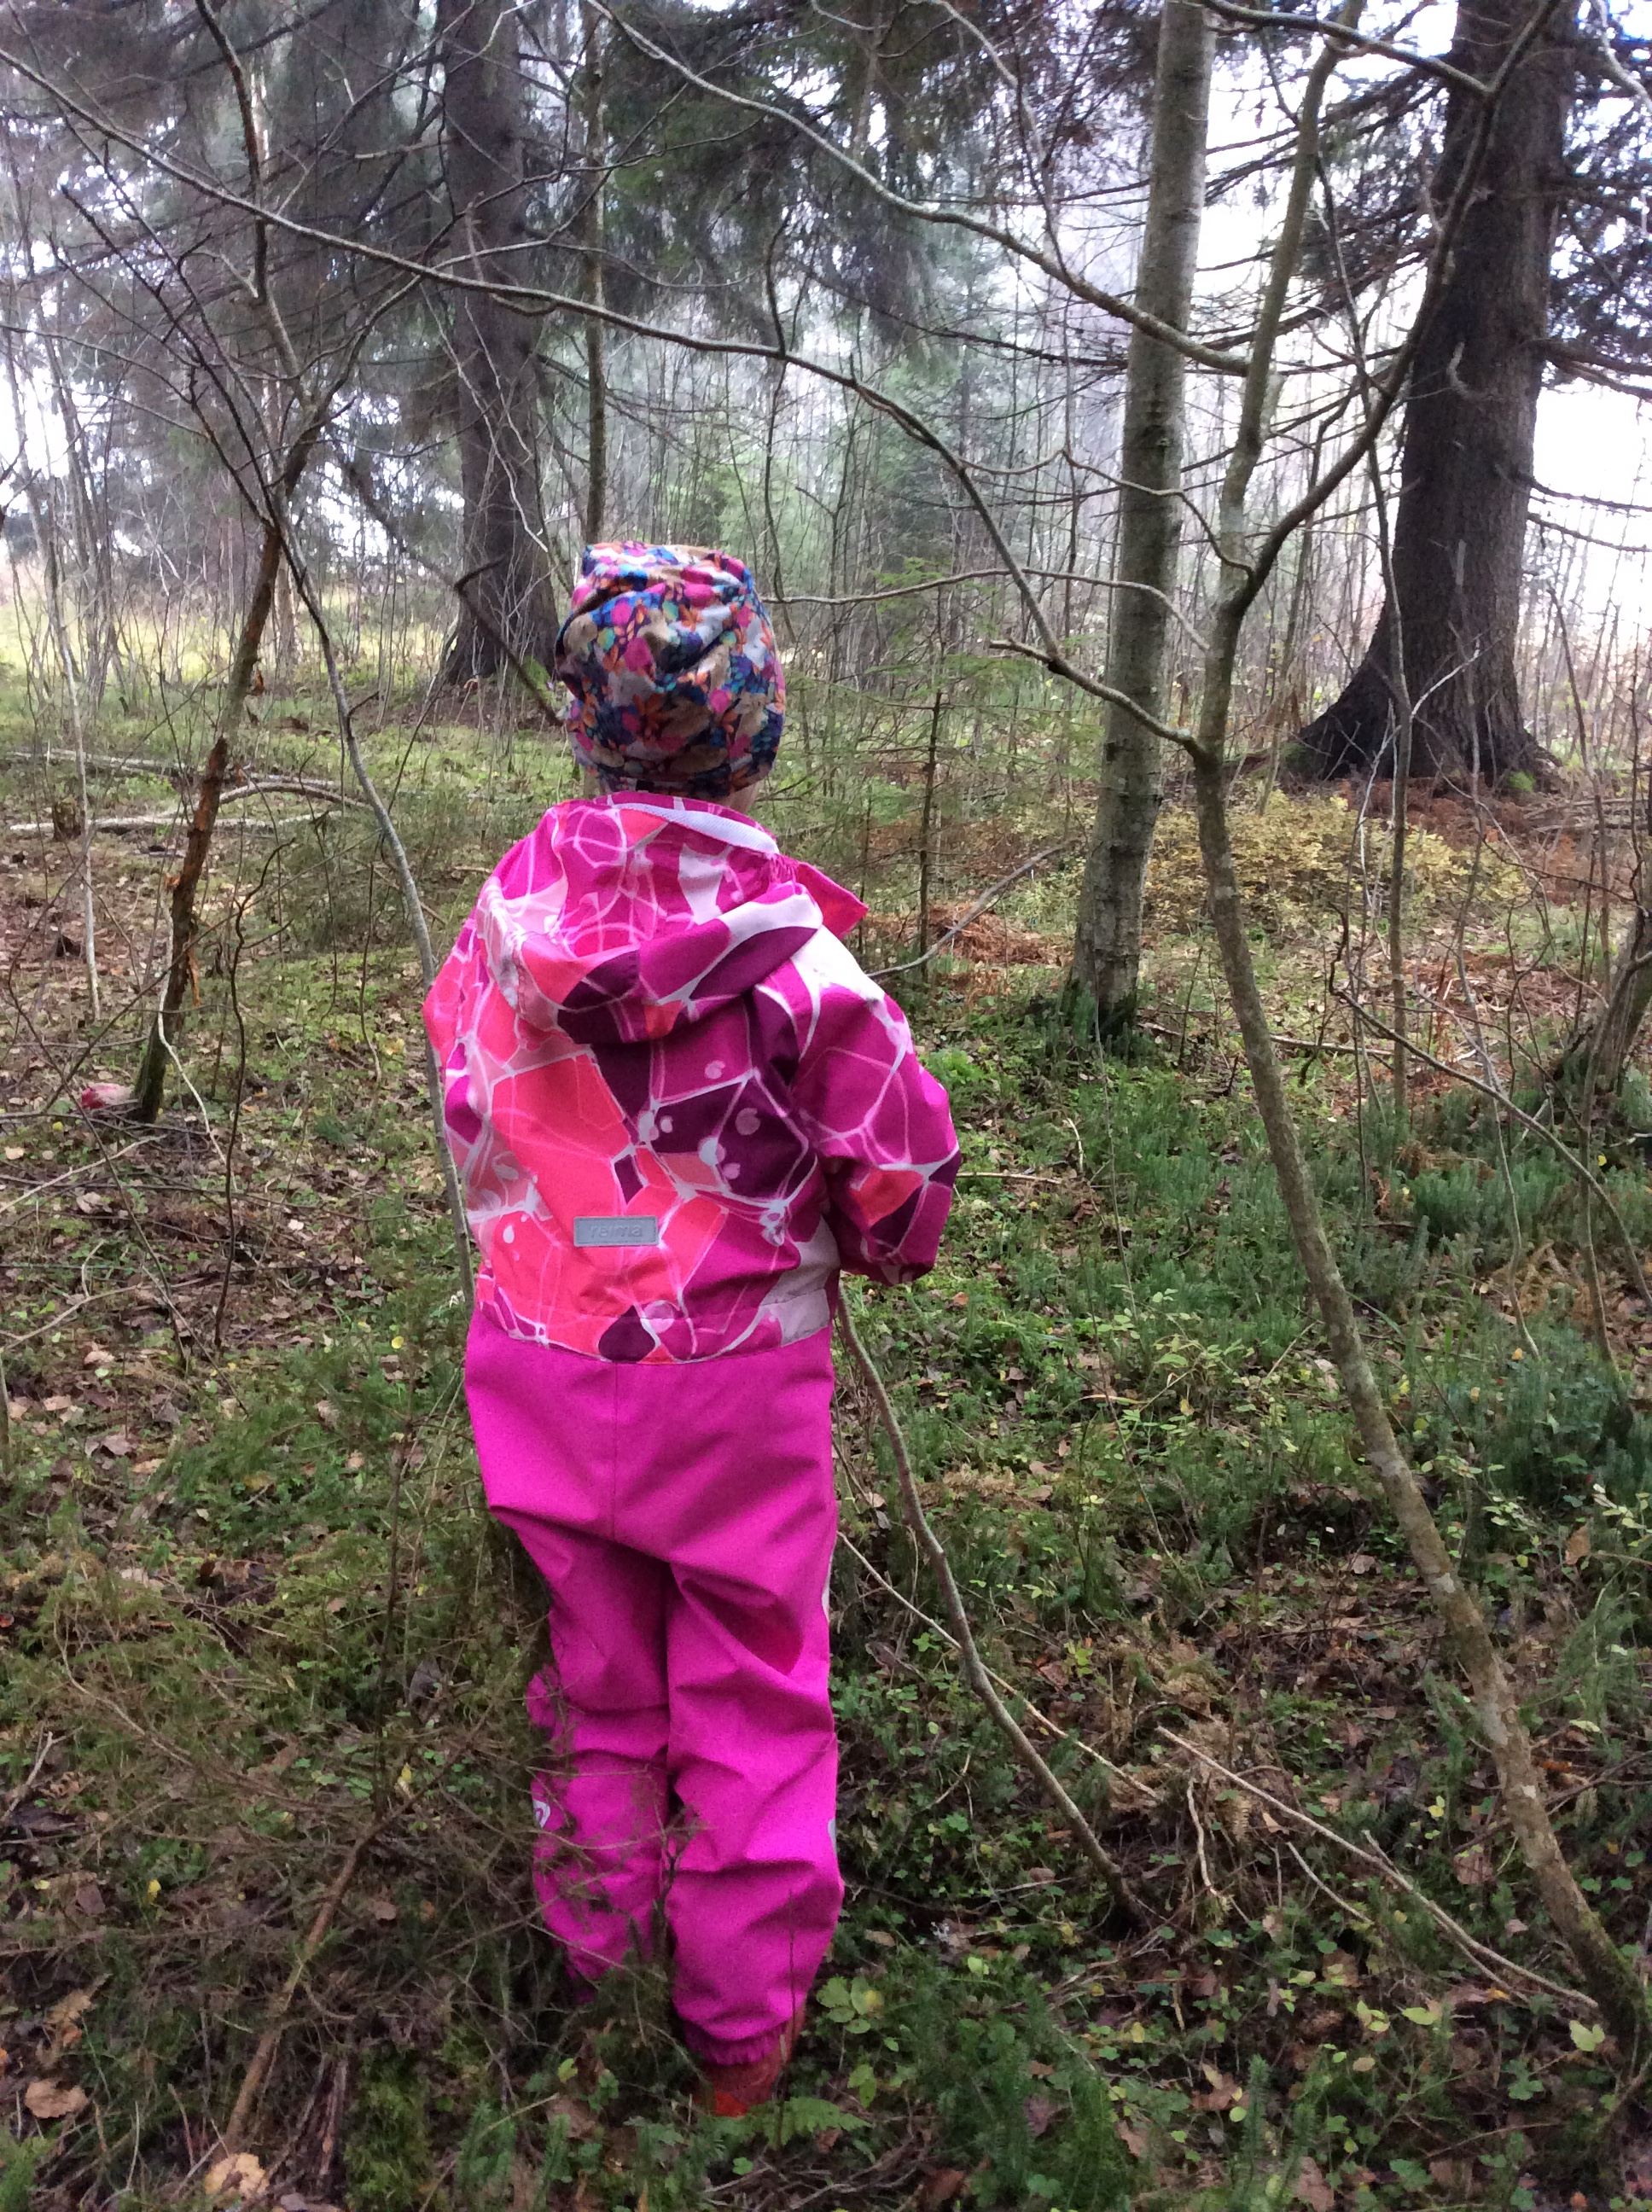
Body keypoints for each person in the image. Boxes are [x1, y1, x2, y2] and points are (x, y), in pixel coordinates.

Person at [423, 543, 959, 2116]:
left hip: (537, 1357)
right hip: (733, 1385)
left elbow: (467, 1092)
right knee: (751, 1684)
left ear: (582, 723)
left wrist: (564, 1240)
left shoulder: (505, 919)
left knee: (598, 1682)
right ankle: (738, 2039)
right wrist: (860, 1242)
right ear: (758, 731)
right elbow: (903, 1168)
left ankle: (596, 1972)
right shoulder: (797, 963)